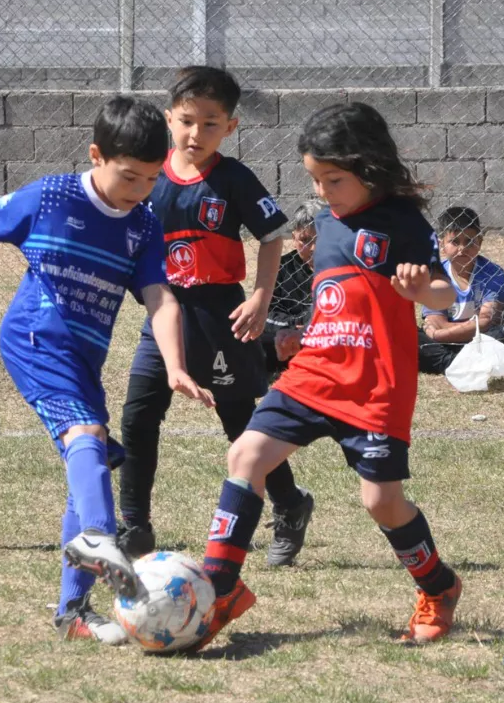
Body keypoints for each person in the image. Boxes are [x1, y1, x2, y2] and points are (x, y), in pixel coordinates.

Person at [0, 96, 213, 645]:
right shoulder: (52, 196)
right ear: (96, 155)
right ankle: (101, 538)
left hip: (82, 358)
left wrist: (175, 363)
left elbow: (162, 299)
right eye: (130, 177)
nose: (141, 190)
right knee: (86, 437)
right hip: (34, 339)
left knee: (92, 455)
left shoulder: (145, 225)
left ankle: (72, 611)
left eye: (151, 180)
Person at [192, 102, 464, 652]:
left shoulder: (404, 224)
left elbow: (446, 293)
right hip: (314, 371)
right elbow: (333, 300)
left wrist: (418, 290)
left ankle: (438, 585)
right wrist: (298, 334)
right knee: (245, 455)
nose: (322, 191)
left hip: (375, 382)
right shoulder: (323, 224)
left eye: (333, 180)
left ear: (369, 168)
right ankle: (221, 587)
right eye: (315, 180)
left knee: (381, 502)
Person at [116, 66, 314, 567]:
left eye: (210, 123)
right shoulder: (150, 173)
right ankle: (134, 526)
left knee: (241, 422)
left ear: (231, 127)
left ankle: (290, 506)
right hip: (164, 312)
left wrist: (260, 298)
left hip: (221, 315)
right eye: (186, 121)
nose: (195, 133)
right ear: (168, 120)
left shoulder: (234, 179)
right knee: (138, 416)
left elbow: (272, 237)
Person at [417, 205, 504, 375]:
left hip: (481, 340)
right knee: (413, 338)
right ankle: (462, 364)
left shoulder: (493, 273)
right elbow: (434, 322)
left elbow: (487, 321)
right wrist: (441, 332)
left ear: (479, 242)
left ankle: (451, 364)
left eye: (469, 241)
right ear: (442, 244)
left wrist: (439, 335)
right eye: (455, 241)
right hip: (451, 344)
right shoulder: (435, 274)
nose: (462, 249)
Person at [261, 200, 318, 377]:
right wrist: (293, 327)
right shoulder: (281, 267)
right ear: (293, 238)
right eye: (305, 240)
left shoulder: (340, 268)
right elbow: (265, 315)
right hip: (285, 339)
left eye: (320, 239)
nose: (314, 248)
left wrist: (306, 327)